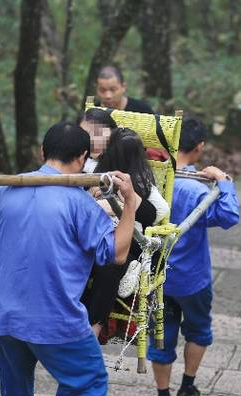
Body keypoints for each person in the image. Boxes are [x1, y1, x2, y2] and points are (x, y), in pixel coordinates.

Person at [0, 121, 137, 396]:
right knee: (88, 382)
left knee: (14, 391)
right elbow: (117, 254)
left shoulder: (5, 191)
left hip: (6, 316)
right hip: (54, 318)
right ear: (82, 158)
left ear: (42, 151)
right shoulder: (79, 204)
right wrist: (130, 205)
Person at [148, 116, 240, 396]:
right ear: (199, 146)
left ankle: (163, 392)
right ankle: (188, 386)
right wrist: (223, 181)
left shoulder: (151, 179)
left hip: (157, 279)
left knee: (160, 337)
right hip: (193, 279)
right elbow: (228, 216)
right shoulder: (197, 190)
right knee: (198, 331)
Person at [81, 126, 170, 338]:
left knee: (109, 267)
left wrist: (126, 200)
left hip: (129, 243)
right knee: (94, 263)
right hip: (99, 238)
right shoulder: (96, 174)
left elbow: (158, 211)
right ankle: (86, 322)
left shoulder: (141, 182)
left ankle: (93, 325)